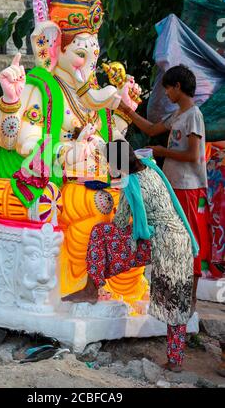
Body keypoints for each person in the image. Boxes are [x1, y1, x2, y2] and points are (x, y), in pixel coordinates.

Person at [62, 141, 198, 372]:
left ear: (116, 164)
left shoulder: (131, 183)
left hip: (161, 242)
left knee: (100, 232)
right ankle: (175, 360)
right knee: (177, 303)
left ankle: (92, 286)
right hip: (181, 240)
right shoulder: (151, 168)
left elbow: (120, 221)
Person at [117, 65, 210, 312]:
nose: (166, 93)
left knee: (189, 238)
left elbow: (192, 154)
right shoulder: (178, 115)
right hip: (173, 185)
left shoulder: (193, 115)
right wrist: (126, 110)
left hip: (188, 186)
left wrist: (161, 152)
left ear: (178, 87)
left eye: (168, 88)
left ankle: (190, 297)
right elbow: (150, 129)